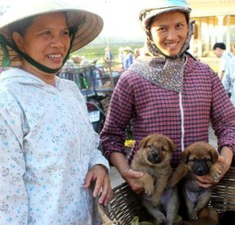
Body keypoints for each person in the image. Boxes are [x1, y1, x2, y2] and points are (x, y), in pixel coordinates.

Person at [0, 1, 112, 224]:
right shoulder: (5, 102)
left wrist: (98, 165)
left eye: (64, 33)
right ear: (19, 40)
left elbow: (88, 145)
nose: (58, 43)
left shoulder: (70, 91)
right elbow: (5, 195)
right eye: (45, 33)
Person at [100, 0, 235, 219]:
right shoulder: (133, 78)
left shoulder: (205, 75)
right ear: (149, 32)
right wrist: (127, 172)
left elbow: (228, 123)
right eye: (162, 28)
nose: (172, 36)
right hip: (152, 189)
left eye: (179, 26)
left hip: (196, 182)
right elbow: (111, 135)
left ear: (189, 28)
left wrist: (224, 161)